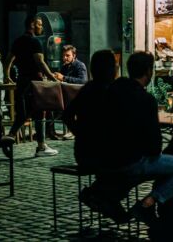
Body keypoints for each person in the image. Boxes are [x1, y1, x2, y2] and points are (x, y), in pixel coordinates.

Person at [97, 52, 173, 238]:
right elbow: (154, 147)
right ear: (148, 71)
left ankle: (156, 204)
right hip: (134, 161)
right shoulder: (145, 100)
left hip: (107, 158)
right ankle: (148, 203)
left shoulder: (112, 91)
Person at [63, 50, 129, 221]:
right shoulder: (111, 91)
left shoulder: (88, 89)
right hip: (104, 154)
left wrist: (81, 134)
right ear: (112, 69)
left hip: (84, 152)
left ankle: (105, 198)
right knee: (133, 166)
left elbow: (67, 115)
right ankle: (101, 196)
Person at [2, 14, 59, 156]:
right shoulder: (35, 42)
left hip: (22, 81)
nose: (41, 27)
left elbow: (8, 60)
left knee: (22, 114)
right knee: (40, 112)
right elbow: (40, 62)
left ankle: (10, 136)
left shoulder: (18, 41)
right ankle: (41, 146)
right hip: (35, 82)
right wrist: (52, 77)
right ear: (32, 24)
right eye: (39, 24)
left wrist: (6, 75)